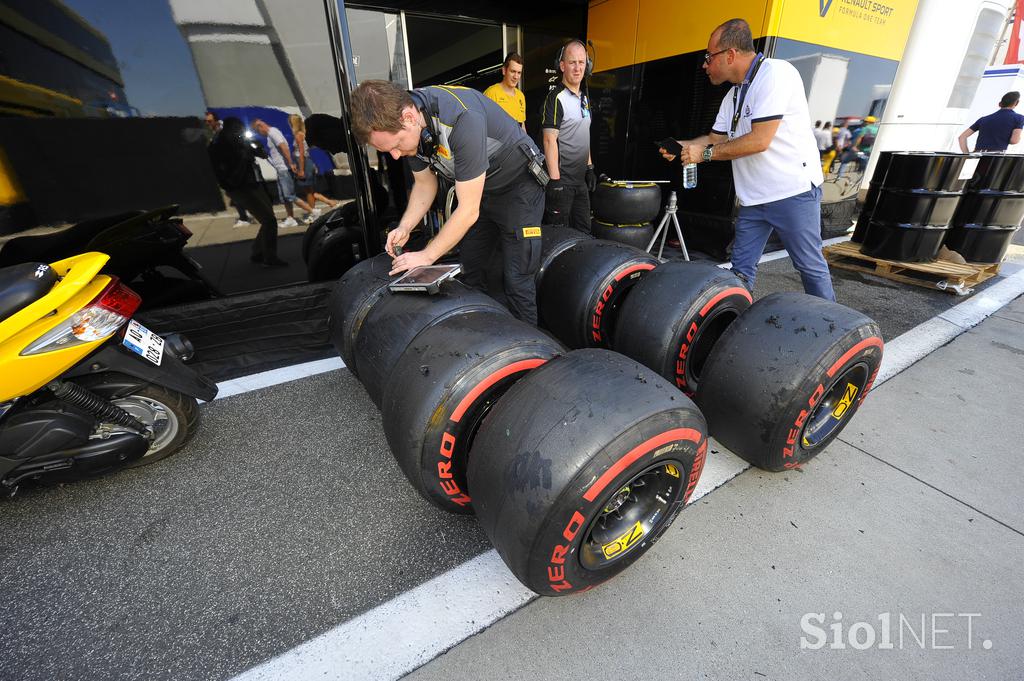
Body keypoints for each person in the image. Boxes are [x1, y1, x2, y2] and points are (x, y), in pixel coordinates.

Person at [661, 18, 835, 301]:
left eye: (709, 57)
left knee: (810, 268)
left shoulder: (776, 74)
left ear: (730, 55)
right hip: (754, 198)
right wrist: (682, 145)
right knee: (740, 271)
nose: (705, 65)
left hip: (793, 192)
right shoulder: (733, 95)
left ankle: (834, 328)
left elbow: (759, 140)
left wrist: (702, 155)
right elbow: (715, 139)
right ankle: (736, 324)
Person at [350, 80, 548, 324]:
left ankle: (530, 352)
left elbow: (467, 211)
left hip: (519, 188)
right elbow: (424, 184)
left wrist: (427, 256)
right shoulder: (409, 122)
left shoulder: (462, 118)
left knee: (517, 279)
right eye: (388, 151)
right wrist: (405, 227)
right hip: (480, 190)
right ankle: (485, 339)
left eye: (397, 145)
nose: (396, 155)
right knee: (471, 267)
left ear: (409, 117)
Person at [207, 117, 286, 267]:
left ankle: (258, 251)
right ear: (231, 128)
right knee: (269, 220)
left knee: (268, 219)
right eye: (238, 129)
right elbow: (224, 168)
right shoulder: (222, 144)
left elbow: (260, 154)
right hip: (241, 186)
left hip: (250, 183)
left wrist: (254, 147)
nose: (240, 132)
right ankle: (269, 257)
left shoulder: (234, 141)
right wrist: (244, 155)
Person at [542, 40, 597, 233]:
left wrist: (590, 167)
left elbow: (584, 134)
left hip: (580, 182)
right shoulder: (556, 98)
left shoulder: (584, 99)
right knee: (559, 236)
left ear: (587, 66)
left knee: (584, 232)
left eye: (582, 63)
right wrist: (554, 181)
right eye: (572, 62)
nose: (577, 68)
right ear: (562, 66)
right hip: (562, 183)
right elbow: (549, 140)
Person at [252, 118, 314, 227]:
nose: (260, 134)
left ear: (260, 127)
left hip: (284, 169)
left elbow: (283, 147)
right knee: (284, 197)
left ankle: (314, 211)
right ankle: (290, 218)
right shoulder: (272, 133)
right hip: (280, 169)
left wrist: (290, 163)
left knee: (289, 195)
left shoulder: (273, 133)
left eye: (258, 132)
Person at [204, 110, 252, 227]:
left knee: (236, 194)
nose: (208, 123)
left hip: (232, 169)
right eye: (206, 121)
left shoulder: (223, 131)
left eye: (209, 121)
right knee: (235, 194)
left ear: (215, 120)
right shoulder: (214, 133)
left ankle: (244, 218)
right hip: (226, 170)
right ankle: (245, 216)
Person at [288, 114, 338, 222]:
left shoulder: (298, 135)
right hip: (305, 163)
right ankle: (329, 203)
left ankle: (314, 211)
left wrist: (301, 169)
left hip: (304, 163)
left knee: (308, 191)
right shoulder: (302, 134)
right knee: (310, 190)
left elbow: (302, 153)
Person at [958, 91, 1024, 152]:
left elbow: (962, 137)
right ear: (1016, 103)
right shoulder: (1019, 118)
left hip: (978, 154)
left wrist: (966, 154)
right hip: (995, 157)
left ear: (1000, 104)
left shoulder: (983, 119)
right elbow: (1014, 141)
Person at [483, 52, 526, 131]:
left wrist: (526, 143)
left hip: (516, 142)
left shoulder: (521, 96)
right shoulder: (491, 93)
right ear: (504, 71)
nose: (516, 77)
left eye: (519, 73)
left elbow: (522, 125)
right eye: (512, 71)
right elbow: (482, 124)